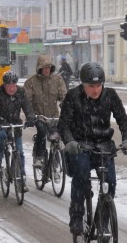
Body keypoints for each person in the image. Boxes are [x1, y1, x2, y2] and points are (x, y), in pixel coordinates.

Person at [57, 62, 127, 235]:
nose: (96, 90)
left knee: (110, 181)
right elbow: (63, 125)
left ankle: (103, 221)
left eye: (98, 86)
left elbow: (123, 120)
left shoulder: (110, 95)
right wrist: (69, 142)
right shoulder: (73, 96)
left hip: (104, 146)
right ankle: (77, 216)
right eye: (91, 86)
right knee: (81, 177)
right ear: (83, 84)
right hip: (81, 146)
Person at [0, 71, 35, 192]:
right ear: (4, 85)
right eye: (9, 86)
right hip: (1, 123)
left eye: (13, 86)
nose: (12, 88)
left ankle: (21, 179)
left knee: (19, 152)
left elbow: (27, 106)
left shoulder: (21, 92)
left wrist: (30, 118)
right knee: (1, 136)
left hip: (15, 124)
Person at [23, 55, 67, 166]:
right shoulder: (31, 82)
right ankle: (39, 156)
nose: (47, 70)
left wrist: (66, 108)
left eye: (49, 67)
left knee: (56, 136)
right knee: (42, 132)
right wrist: (31, 116)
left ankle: (55, 161)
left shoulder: (57, 80)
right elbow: (26, 101)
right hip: (38, 116)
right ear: (39, 68)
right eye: (44, 67)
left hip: (53, 116)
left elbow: (64, 97)